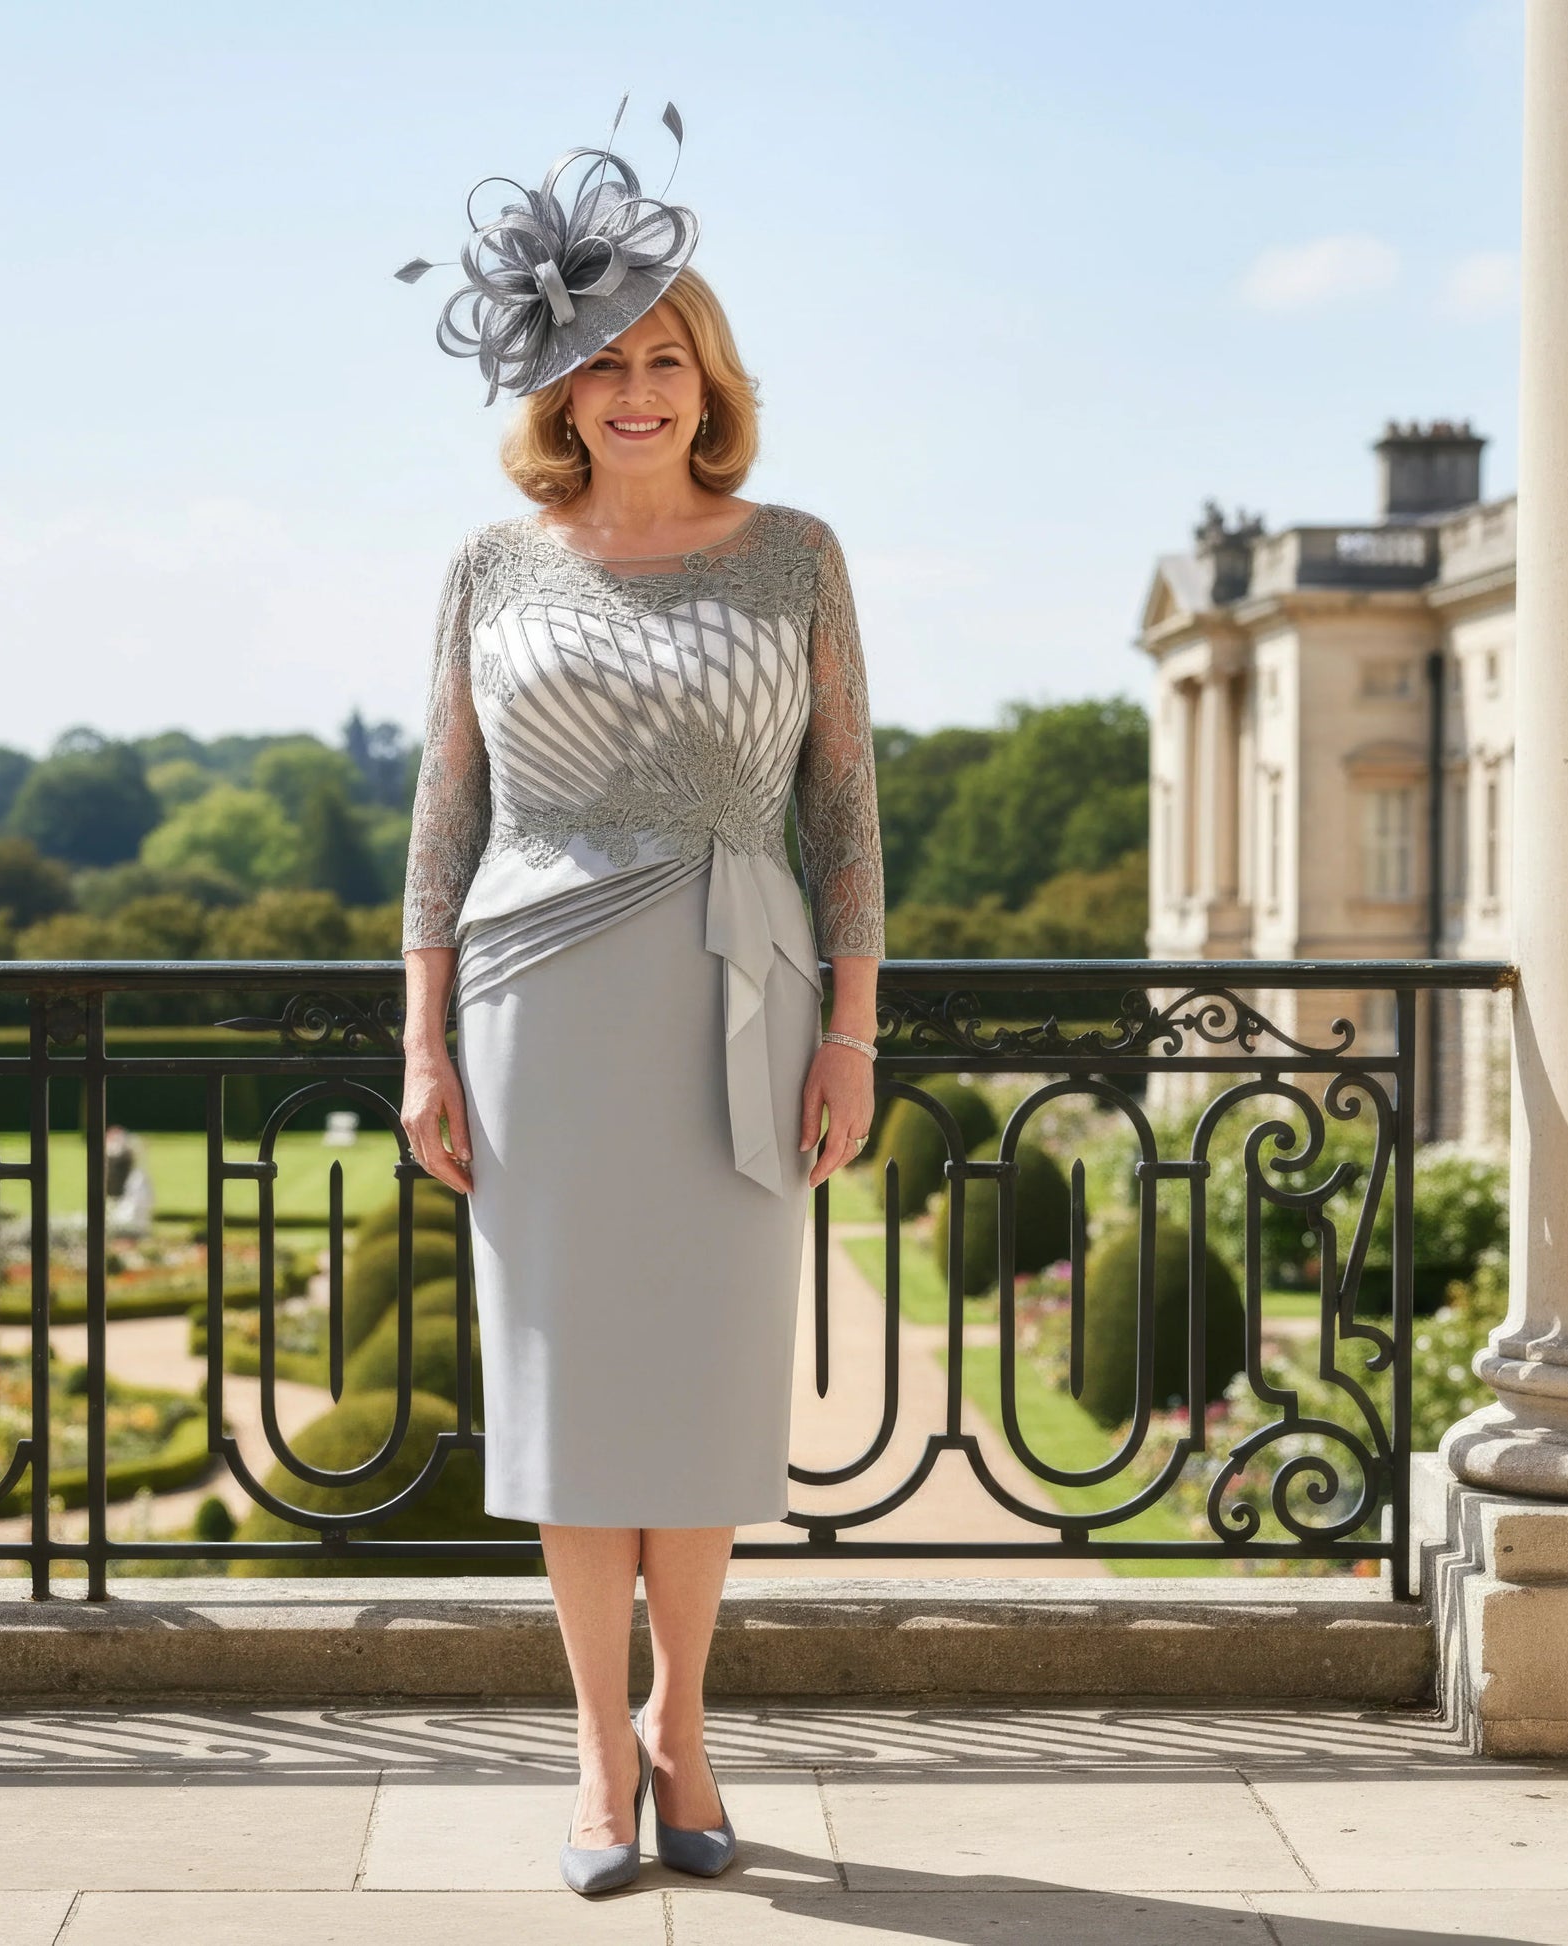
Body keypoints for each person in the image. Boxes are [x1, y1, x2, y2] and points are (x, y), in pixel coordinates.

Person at [395, 104, 885, 1896]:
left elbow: (844, 821)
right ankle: (603, 1765)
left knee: (698, 1398)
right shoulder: (485, 563)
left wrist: (851, 1029)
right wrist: (418, 1040)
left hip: (740, 1001)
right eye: (601, 360)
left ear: (710, 375)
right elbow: (444, 819)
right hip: (533, 1013)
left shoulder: (797, 552)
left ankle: (690, 1725)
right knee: (571, 1404)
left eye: (663, 355)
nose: (634, 388)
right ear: (554, 389)